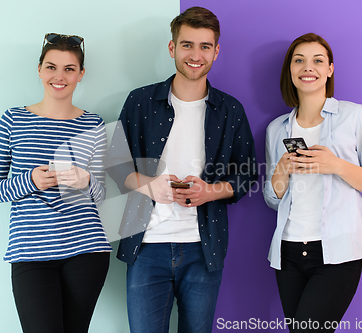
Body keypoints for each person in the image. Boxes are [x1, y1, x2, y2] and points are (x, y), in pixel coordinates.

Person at [106, 7, 257, 333]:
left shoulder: (230, 109)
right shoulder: (140, 101)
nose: (196, 55)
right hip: (145, 249)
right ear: (173, 48)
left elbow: (247, 175)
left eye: (205, 46)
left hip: (204, 250)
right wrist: (149, 186)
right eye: (187, 44)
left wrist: (210, 191)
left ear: (216, 51)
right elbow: (116, 164)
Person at [0, 33, 111, 333]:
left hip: (86, 249)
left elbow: (101, 194)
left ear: (80, 74)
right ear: (39, 69)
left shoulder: (94, 124)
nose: (59, 76)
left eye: (69, 69)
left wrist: (86, 180)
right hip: (30, 252)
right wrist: (30, 181)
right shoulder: (13, 120)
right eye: (51, 67)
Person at [263, 33, 362, 332]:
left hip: (338, 250)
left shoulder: (356, 115)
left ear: (330, 69)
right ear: (290, 70)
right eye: (299, 60)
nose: (308, 67)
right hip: (288, 252)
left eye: (317, 60)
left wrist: (335, 165)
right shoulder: (276, 129)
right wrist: (281, 171)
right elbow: (272, 199)